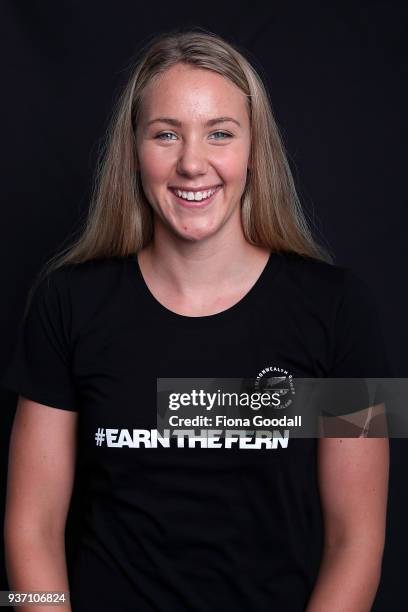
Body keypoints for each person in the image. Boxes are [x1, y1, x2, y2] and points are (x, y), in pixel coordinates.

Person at [1, 28, 391, 612]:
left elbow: (357, 542)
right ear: (134, 149)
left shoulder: (339, 308)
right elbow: (30, 528)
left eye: (219, 133)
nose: (191, 163)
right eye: (165, 134)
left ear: (254, 149)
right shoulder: (66, 302)